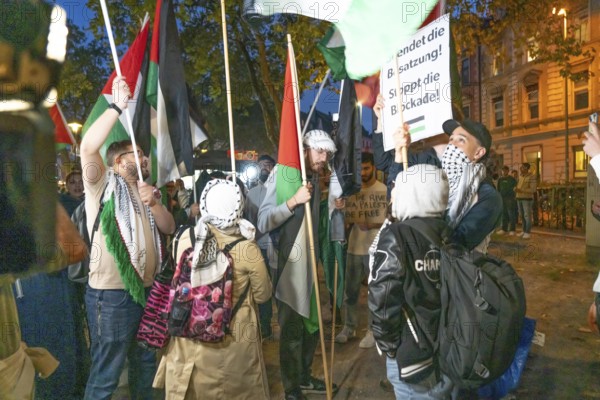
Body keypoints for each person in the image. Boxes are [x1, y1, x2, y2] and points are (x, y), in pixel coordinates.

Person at [79, 77, 175, 400]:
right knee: (106, 376)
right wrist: (116, 106)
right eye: (138, 155)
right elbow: (88, 147)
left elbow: (170, 227)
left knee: (145, 367)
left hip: (147, 293)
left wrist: (156, 203)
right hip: (112, 297)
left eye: (146, 157)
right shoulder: (102, 187)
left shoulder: (147, 192)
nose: (145, 161)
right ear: (119, 161)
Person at [154, 178, 272, 399]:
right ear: (239, 208)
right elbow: (263, 295)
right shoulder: (248, 248)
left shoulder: (185, 238)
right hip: (232, 341)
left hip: (188, 336)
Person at [258, 130, 339, 400]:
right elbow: (263, 220)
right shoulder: (283, 174)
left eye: (327, 153)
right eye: (319, 151)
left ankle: (304, 376)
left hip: (308, 264)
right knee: (291, 327)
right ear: (303, 149)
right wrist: (293, 201)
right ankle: (291, 388)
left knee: (311, 324)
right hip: (286, 266)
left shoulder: (314, 176)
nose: (323, 158)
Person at [372, 94, 502, 252]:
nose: (452, 144)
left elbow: (457, 244)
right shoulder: (423, 163)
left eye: (460, 140)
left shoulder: (486, 195)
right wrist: (399, 154)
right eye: (451, 138)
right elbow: (395, 198)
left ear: (478, 153)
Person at [368, 164, 454, 400]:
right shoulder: (452, 233)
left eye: (398, 188)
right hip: (451, 349)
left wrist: (389, 347)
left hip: (411, 353)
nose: (392, 194)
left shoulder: (397, 235)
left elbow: (382, 296)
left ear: (414, 193)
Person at [335, 152, 387, 348]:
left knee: (375, 292)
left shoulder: (382, 190)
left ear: (373, 167)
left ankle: (373, 330)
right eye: (360, 169)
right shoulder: (352, 191)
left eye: (366, 168)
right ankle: (349, 327)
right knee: (350, 292)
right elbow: (348, 219)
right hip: (354, 248)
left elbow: (389, 220)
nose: (363, 173)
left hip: (375, 250)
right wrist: (341, 209)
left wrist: (371, 224)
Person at [244, 154, 277, 339]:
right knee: (262, 287)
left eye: (268, 165)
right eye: (261, 165)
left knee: (280, 286)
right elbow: (248, 220)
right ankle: (265, 325)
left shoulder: (280, 190)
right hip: (258, 247)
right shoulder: (252, 193)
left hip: (277, 246)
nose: (265, 168)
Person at [515, 163, 537, 239]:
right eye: (521, 167)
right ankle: (523, 231)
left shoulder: (532, 177)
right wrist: (516, 189)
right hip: (519, 198)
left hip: (527, 199)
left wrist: (521, 190)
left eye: (523, 167)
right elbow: (519, 186)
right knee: (521, 215)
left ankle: (528, 232)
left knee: (527, 216)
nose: (521, 168)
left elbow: (533, 189)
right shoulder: (520, 176)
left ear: (527, 168)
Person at [497, 165, 517, 235]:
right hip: (502, 199)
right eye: (503, 170)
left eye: (505, 170)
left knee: (511, 214)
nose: (504, 172)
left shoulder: (512, 179)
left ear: (508, 171)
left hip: (510, 199)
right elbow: (498, 189)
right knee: (504, 214)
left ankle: (512, 230)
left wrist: (513, 196)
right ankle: (504, 229)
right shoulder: (500, 179)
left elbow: (515, 188)